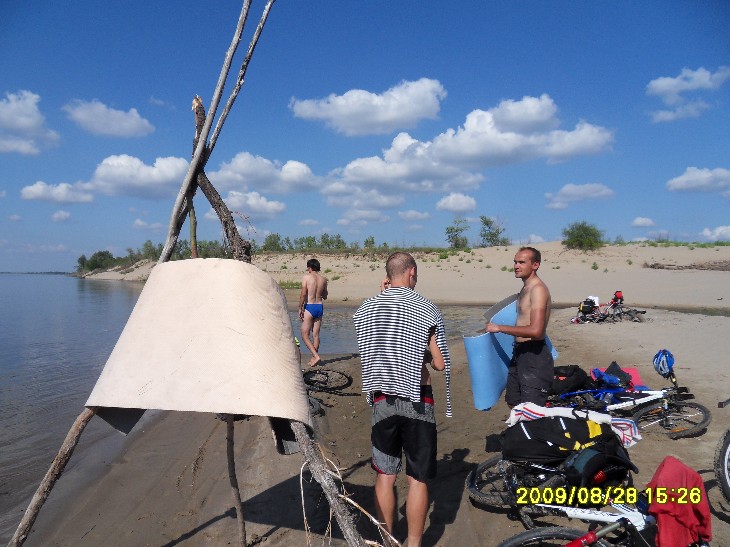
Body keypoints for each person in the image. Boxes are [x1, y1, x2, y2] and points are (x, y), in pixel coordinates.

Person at [353, 251, 451, 547]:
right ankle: (414, 544)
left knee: (385, 475)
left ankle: (387, 540)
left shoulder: (367, 308)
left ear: (388, 276)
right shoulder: (426, 308)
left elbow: (377, 339)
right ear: (411, 273)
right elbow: (439, 364)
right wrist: (425, 348)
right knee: (417, 478)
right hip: (417, 398)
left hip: (382, 398)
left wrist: (382, 295)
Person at [486, 246, 553, 407]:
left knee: (531, 409)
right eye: (515, 262)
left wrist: (499, 328)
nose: (516, 266)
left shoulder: (538, 290)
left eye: (522, 262)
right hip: (520, 352)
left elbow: (536, 331)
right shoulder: (525, 288)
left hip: (534, 354)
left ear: (535, 265)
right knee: (513, 402)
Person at [298, 258, 328, 367]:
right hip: (319, 306)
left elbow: (303, 293)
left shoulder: (306, 277)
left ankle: (315, 356)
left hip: (310, 306)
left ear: (309, 267)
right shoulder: (323, 280)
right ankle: (313, 359)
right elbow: (325, 296)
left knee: (304, 335)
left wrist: (300, 307)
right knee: (316, 335)